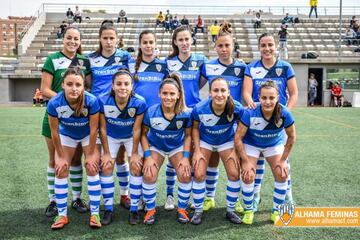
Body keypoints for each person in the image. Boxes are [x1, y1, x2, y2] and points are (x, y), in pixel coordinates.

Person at [242, 32, 298, 213]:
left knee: (283, 164)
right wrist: (250, 103)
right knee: (256, 163)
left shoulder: (285, 67)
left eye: (270, 45)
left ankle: (287, 196)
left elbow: (294, 93)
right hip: (257, 122)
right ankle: (255, 196)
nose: (267, 48)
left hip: (276, 123)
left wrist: (284, 114)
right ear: (259, 48)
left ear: (276, 47)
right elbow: (247, 94)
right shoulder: (251, 67)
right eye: (263, 45)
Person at [41, 26, 91, 218]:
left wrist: (76, 105)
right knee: (55, 160)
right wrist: (66, 103)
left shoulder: (84, 61)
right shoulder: (52, 59)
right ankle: (53, 200)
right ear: (64, 38)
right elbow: (45, 89)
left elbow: (87, 88)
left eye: (76, 39)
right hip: (55, 116)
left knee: (76, 159)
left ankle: (77, 197)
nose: (72, 41)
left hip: (78, 120)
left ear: (80, 41)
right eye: (69, 37)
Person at [199, 22, 247, 213]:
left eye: (227, 45)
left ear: (233, 46)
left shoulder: (242, 67)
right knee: (211, 161)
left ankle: (237, 201)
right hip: (212, 121)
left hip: (235, 123)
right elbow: (197, 87)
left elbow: (247, 92)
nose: (224, 49)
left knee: (237, 164)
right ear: (215, 47)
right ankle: (209, 198)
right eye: (220, 45)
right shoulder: (208, 66)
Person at [235, 80, 296, 225]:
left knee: (282, 173)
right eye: (264, 98)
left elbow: (292, 136)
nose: (267, 102)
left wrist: (282, 160)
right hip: (252, 144)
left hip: (273, 144)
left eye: (271, 98)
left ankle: (277, 211)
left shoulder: (284, 112)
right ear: (258, 97)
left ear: (278, 98)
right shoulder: (250, 111)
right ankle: (249, 210)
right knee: (248, 175)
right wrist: (245, 161)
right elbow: (238, 137)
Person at [88, 20, 133, 210]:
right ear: (100, 39)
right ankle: (102, 199)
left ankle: (125, 194)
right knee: (101, 159)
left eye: (112, 38)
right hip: (99, 113)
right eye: (105, 38)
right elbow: (89, 84)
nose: (108, 42)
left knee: (121, 158)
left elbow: (131, 81)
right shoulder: (90, 58)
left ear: (117, 40)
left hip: (121, 113)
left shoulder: (124, 57)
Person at [47, 67, 101, 229]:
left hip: (87, 135)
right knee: (61, 168)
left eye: (78, 84)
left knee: (92, 167)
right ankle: (62, 215)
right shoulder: (54, 103)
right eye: (69, 84)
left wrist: (91, 154)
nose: (74, 88)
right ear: (62, 85)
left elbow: (93, 130)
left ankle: (95, 214)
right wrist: (61, 156)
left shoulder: (91, 101)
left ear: (83, 85)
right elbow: (55, 133)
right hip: (67, 135)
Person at [165, 25, 208, 210]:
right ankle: (169, 195)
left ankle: (188, 195)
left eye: (187, 39)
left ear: (192, 40)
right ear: (175, 42)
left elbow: (202, 81)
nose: (184, 43)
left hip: (193, 112)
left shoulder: (200, 60)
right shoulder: (168, 62)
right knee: (172, 155)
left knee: (189, 154)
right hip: (174, 114)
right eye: (180, 40)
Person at [191, 77, 244, 225]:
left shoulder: (237, 108)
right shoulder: (200, 108)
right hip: (205, 141)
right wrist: (197, 151)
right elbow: (194, 128)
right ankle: (198, 210)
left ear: (228, 92)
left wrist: (235, 150)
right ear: (209, 93)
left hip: (226, 141)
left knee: (234, 173)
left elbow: (241, 129)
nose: (219, 94)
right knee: (199, 173)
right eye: (215, 90)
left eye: (223, 90)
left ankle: (231, 210)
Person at [141, 74, 192, 224]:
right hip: (157, 146)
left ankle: (182, 208)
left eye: (171, 94)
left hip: (177, 146)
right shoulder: (151, 112)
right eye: (165, 93)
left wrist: (185, 157)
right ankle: (150, 209)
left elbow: (188, 136)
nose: (168, 97)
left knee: (185, 174)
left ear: (178, 95)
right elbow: (143, 134)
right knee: (149, 174)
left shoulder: (185, 113)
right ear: (159, 93)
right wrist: (148, 156)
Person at [97, 69, 147, 225]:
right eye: (118, 84)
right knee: (106, 166)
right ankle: (109, 209)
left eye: (126, 84)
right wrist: (105, 152)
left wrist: (134, 154)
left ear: (132, 86)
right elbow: (103, 129)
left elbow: (137, 129)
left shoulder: (139, 102)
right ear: (112, 86)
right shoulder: (102, 100)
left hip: (131, 136)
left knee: (136, 166)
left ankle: (134, 209)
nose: (122, 87)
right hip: (111, 136)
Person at [129, 30, 168, 108]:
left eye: (151, 42)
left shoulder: (163, 65)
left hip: (157, 112)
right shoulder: (131, 64)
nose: (148, 45)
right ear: (140, 45)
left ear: (155, 44)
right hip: (137, 110)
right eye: (145, 42)